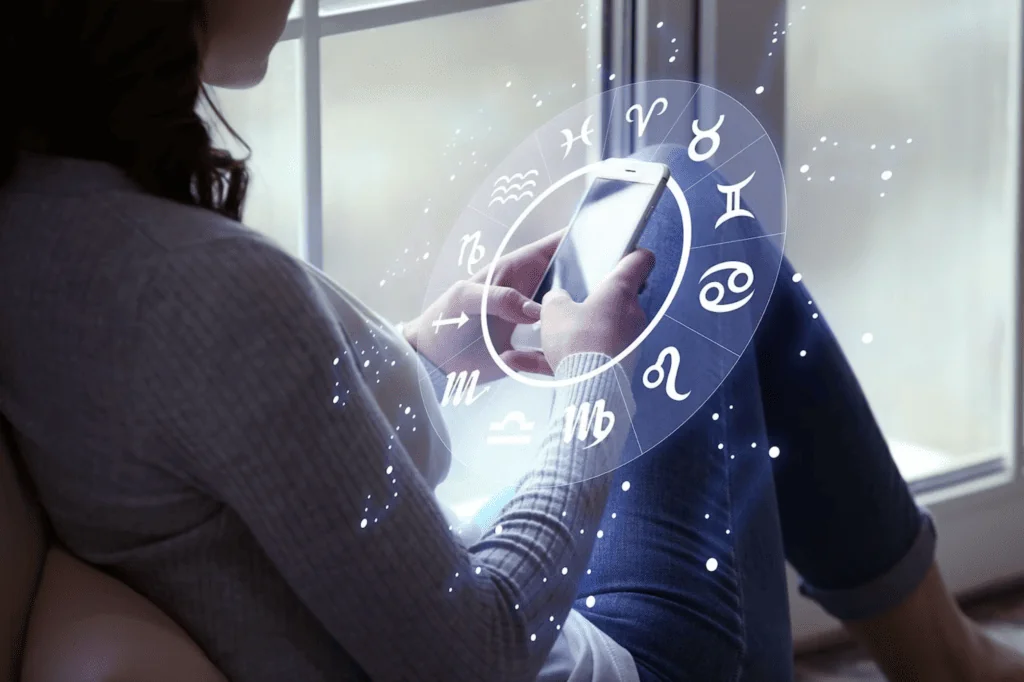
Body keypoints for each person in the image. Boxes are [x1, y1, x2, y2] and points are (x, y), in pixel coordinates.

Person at [0, 1, 1021, 681]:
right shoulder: (211, 294)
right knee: (686, 198)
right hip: (590, 661)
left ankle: (941, 651)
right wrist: (590, 374)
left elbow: (226, 441)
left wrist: (418, 348)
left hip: (404, 605)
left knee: (667, 225)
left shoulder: (38, 226)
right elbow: (481, 647)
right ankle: (944, 653)